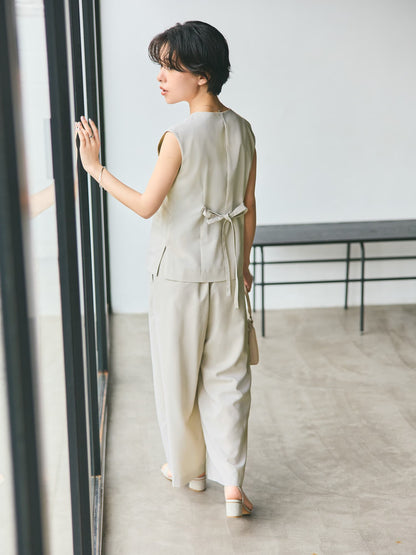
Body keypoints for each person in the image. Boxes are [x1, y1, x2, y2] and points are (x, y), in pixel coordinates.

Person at [76, 20, 257, 518]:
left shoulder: (178, 136)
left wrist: (95, 168)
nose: (161, 76)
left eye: (170, 67)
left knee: (177, 379)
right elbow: (248, 207)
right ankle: (233, 487)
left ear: (202, 75)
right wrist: (243, 265)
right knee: (229, 379)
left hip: (178, 275)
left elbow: (146, 206)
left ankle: (190, 470)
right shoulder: (244, 129)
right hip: (226, 275)